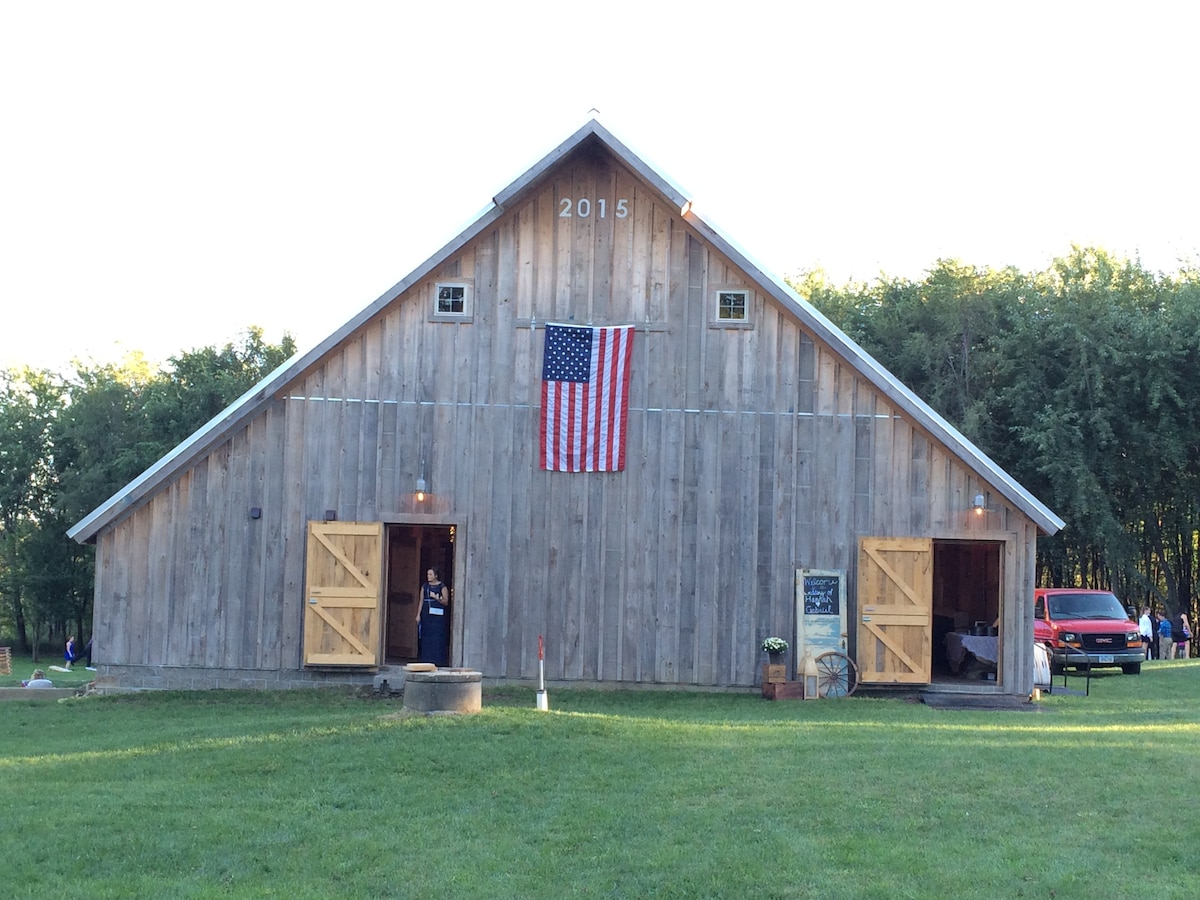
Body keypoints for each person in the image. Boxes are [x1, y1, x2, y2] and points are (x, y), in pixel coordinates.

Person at [415, 567, 451, 667]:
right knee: (426, 636)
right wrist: (418, 614)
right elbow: (421, 600)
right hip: (427, 614)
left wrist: (436, 597)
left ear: (436, 575)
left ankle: (438, 660)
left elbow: (446, 601)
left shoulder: (442, 586)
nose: (428, 576)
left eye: (430, 574)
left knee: (437, 637)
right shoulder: (425, 586)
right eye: (428, 574)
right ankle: (426, 659)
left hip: (438, 616)